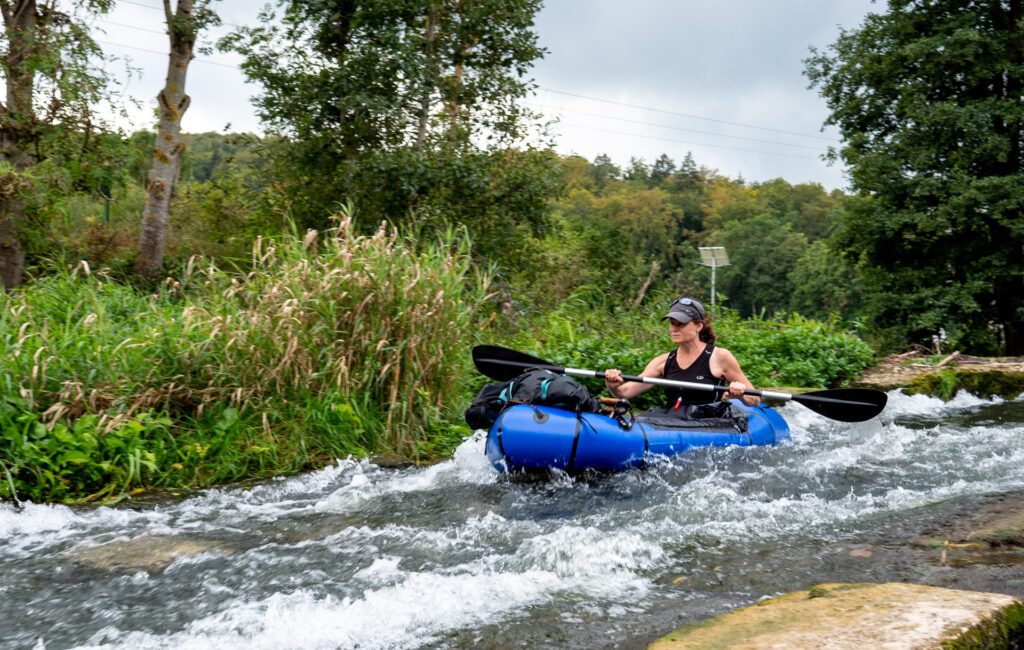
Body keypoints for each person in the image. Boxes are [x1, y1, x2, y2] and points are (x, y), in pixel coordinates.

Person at [604, 297, 760, 409]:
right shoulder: (663, 361)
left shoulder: (720, 357)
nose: (674, 329)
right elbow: (624, 393)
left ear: (699, 326)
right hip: (673, 423)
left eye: (681, 324)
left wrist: (741, 394)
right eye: (672, 323)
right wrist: (613, 386)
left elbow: (754, 399)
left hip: (708, 423)